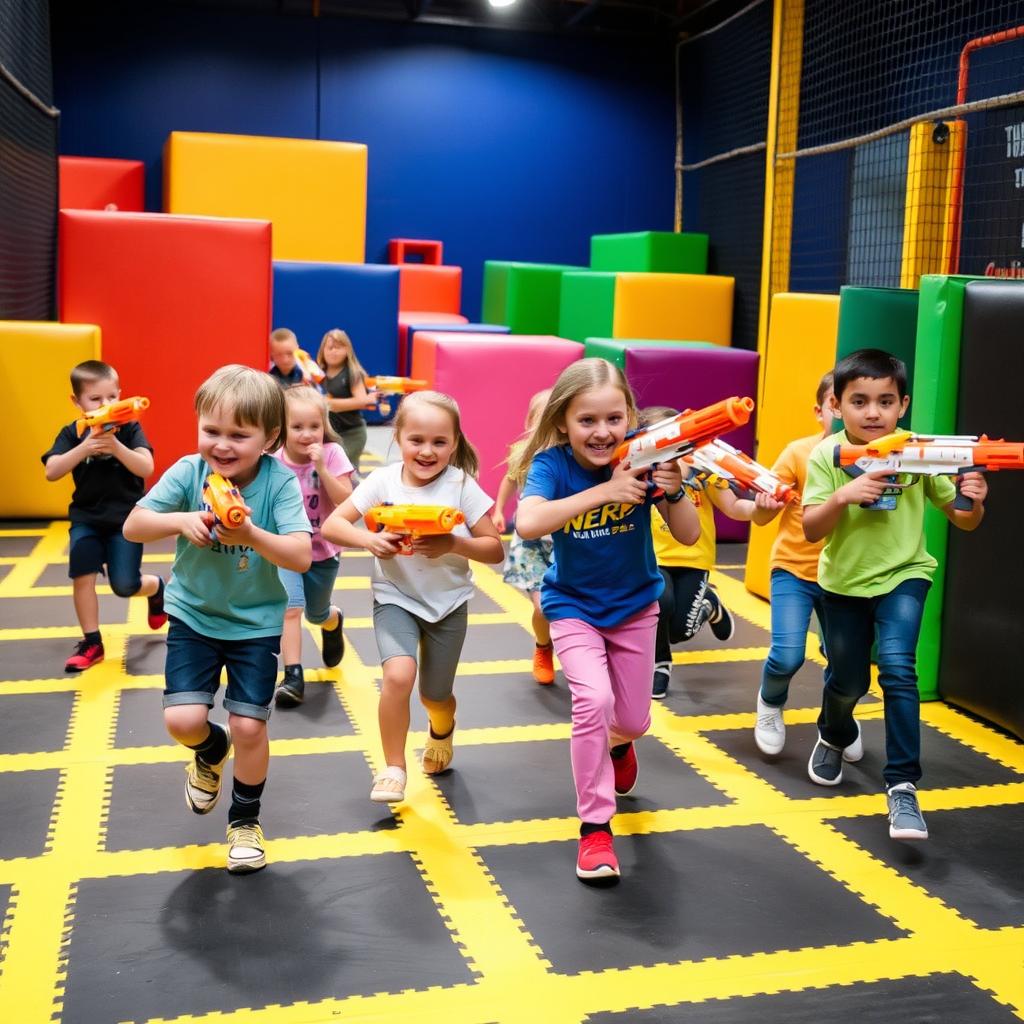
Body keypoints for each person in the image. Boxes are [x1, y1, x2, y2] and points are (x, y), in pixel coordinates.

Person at [511, 359, 700, 883]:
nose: (602, 432)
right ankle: (595, 828)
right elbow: (527, 522)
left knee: (635, 720)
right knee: (591, 700)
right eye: (587, 421)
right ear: (564, 423)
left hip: (637, 607)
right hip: (573, 607)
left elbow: (687, 536)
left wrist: (676, 488)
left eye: (613, 419)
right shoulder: (552, 465)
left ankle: (619, 742)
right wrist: (605, 492)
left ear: (630, 416)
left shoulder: (645, 456)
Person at [123, 365, 312, 874]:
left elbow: (300, 555)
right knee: (182, 720)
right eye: (212, 431)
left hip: (255, 624)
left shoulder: (278, 485)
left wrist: (252, 536)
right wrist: (180, 520)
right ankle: (211, 750)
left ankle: (244, 820)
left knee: (251, 725)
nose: (222, 446)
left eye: (238, 434)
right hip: (194, 615)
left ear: (270, 438)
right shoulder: (189, 472)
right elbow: (134, 525)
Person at [802, 349, 987, 841]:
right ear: (837, 406)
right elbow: (811, 529)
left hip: (906, 573)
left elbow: (964, 520)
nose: (872, 412)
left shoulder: (919, 452)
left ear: (902, 405)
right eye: (859, 401)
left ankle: (902, 784)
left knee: (899, 669)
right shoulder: (827, 455)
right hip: (842, 583)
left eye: (885, 401)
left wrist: (973, 497)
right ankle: (835, 731)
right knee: (847, 681)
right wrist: (844, 494)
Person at [322, 391, 504, 805]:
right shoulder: (383, 481)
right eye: (416, 440)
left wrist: (453, 544)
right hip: (396, 597)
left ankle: (442, 727)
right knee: (398, 676)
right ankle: (393, 768)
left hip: (448, 604)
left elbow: (494, 549)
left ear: (454, 443)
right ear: (397, 438)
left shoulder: (461, 485)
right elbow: (334, 526)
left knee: (434, 697)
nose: (427, 451)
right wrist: (370, 539)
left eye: (439, 442)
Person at [42, 359, 166, 672]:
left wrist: (114, 447)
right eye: (95, 399)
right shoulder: (73, 433)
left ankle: (155, 587)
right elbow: (52, 471)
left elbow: (147, 467)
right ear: (77, 402)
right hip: (86, 519)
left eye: (112, 397)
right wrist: (84, 448)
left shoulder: (129, 429)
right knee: (81, 575)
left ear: (120, 394)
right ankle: (92, 641)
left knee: (124, 585)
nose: (106, 404)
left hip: (126, 522)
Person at [637, 406, 749, 700]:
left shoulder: (702, 471)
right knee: (658, 603)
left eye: (671, 439)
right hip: (655, 559)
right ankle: (660, 663)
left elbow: (734, 507)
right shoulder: (642, 473)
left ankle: (709, 604)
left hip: (693, 560)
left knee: (681, 632)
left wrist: (760, 507)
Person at [750, 372, 835, 756]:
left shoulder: (874, 457)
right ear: (821, 411)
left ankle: (838, 724)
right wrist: (764, 507)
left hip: (846, 576)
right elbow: (762, 516)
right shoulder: (798, 453)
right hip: (793, 570)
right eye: (836, 404)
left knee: (843, 660)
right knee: (787, 654)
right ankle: (770, 702)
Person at [271, 386, 355, 707]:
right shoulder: (274, 463)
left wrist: (320, 467)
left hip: (323, 553)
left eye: (314, 427)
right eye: (297, 427)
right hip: (288, 551)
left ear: (324, 427)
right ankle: (292, 675)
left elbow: (347, 500)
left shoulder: (332, 454)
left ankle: (332, 621)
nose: (307, 435)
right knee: (290, 609)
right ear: (281, 429)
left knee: (315, 613)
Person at [491, 388, 556, 684]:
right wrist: (499, 510)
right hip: (531, 542)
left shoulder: (571, 455)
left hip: (564, 541)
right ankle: (543, 646)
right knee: (543, 607)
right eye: (541, 419)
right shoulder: (524, 452)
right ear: (530, 421)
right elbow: (510, 478)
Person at [317, 328, 377, 473]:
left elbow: (363, 401)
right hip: (329, 433)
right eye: (330, 347)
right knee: (327, 469)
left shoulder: (353, 373)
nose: (334, 351)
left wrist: (330, 404)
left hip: (352, 433)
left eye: (339, 347)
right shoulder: (318, 373)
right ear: (323, 350)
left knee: (345, 471)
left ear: (347, 350)